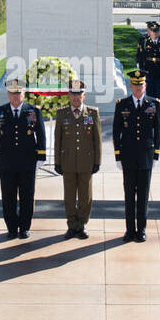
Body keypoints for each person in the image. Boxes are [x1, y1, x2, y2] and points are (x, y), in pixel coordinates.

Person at [0, 79, 47, 238]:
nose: (15, 96)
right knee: (8, 196)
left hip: (27, 161)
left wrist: (41, 155)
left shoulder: (33, 111)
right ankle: (12, 228)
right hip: (6, 161)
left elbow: (41, 134)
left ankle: (25, 227)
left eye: (18, 93)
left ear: (24, 93)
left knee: (27, 195)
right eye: (12, 93)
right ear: (8, 94)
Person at [113, 69, 160, 242]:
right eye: (135, 85)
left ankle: (141, 229)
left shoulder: (153, 104)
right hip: (128, 157)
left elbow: (158, 131)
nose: (138, 88)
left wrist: (155, 154)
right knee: (128, 196)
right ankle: (129, 230)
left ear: (145, 85)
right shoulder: (122, 104)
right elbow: (116, 131)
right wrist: (118, 156)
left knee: (143, 196)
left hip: (146, 157)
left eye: (140, 85)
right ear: (130, 86)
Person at [53, 79, 102, 240]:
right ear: (68, 95)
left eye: (79, 94)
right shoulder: (62, 113)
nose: (76, 98)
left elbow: (97, 140)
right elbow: (57, 140)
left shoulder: (92, 113)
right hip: (67, 162)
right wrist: (57, 162)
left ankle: (81, 225)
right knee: (69, 197)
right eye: (73, 94)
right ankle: (71, 225)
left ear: (84, 95)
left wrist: (97, 161)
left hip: (86, 162)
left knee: (85, 197)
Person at [136, 21, 160, 101]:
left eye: (156, 31)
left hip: (159, 71)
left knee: (158, 92)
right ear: (150, 31)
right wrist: (141, 69)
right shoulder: (145, 41)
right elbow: (141, 56)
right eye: (153, 31)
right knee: (149, 92)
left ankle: (157, 110)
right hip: (149, 70)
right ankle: (151, 111)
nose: (155, 33)